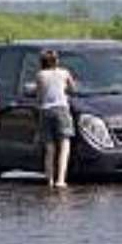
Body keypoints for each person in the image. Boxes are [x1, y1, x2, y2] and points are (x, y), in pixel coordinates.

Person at [36, 50, 76, 188]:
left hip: (45, 111)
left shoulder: (40, 75)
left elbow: (39, 95)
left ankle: (50, 180)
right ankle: (61, 180)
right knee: (65, 145)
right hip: (62, 110)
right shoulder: (64, 73)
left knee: (49, 148)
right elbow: (73, 88)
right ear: (56, 61)